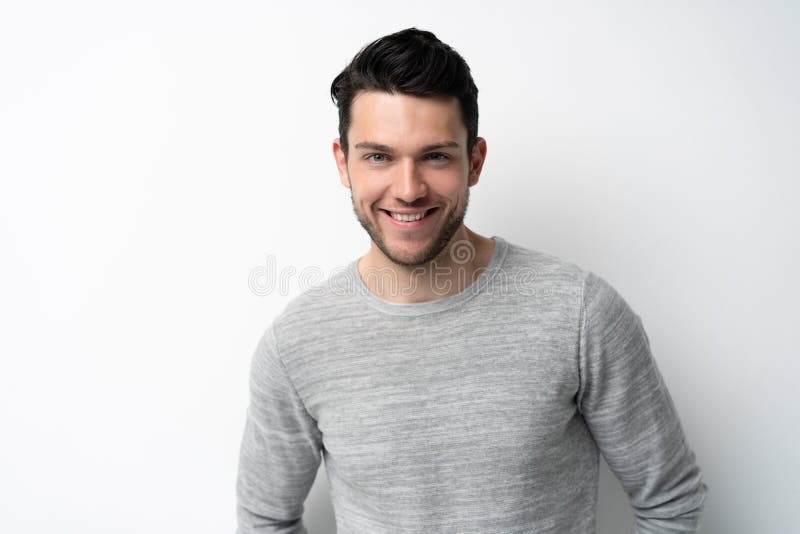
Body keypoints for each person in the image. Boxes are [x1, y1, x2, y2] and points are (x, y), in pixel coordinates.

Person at [236, 28, 708, 533]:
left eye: (435, 156)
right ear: (343, 162)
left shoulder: (579, 314)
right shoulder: (296, 345)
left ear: (475, 161)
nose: (408, 188)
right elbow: (266, 518)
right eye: (379, 156)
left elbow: (670, 502)